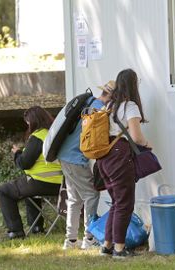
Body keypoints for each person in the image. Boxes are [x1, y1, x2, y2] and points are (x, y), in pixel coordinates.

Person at [97, 69, 151, 259]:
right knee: (124, 204)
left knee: (116, 203)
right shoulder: (130, 106)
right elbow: (136, 137)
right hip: (119, 156)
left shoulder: (110, 105)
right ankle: (119, 249)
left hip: (103, 157)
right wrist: (146, 143)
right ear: (133, 84)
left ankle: (107, 246)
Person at [57, 81, 113, 250]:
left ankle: (71, 240)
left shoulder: (88, 103)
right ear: (112, 97)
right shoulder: (99, 111)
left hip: (64, 155)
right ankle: (89, 237)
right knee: (91, 195)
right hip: (76, 158)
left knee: (74, 199)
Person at [0, 106, 63, 240]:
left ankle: (15, 232)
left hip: (41, 182)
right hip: (61, 183)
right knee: (28, 191)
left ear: (33, 121)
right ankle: (36, 227)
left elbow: (25, 163)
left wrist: (17, 153)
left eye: (27, 122)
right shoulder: (54, 134)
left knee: (3, 190)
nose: (27, 125)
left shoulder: (38, 136)